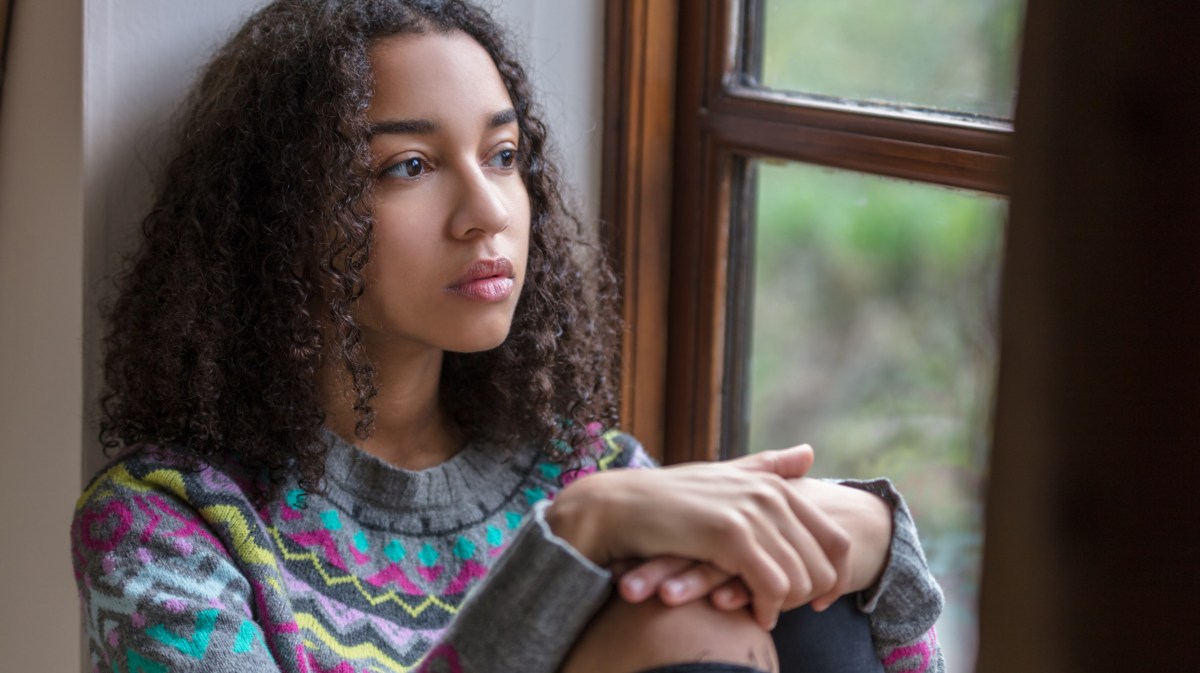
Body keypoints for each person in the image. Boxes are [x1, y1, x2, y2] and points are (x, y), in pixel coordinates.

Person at [71, 1, 944, 672]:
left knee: (780, 581)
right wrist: (572, 541)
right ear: (280, 215)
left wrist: (875, 544)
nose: (488, 212)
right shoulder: (164, 523)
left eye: (502, 155)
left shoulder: (586, 473)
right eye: (407, 167)